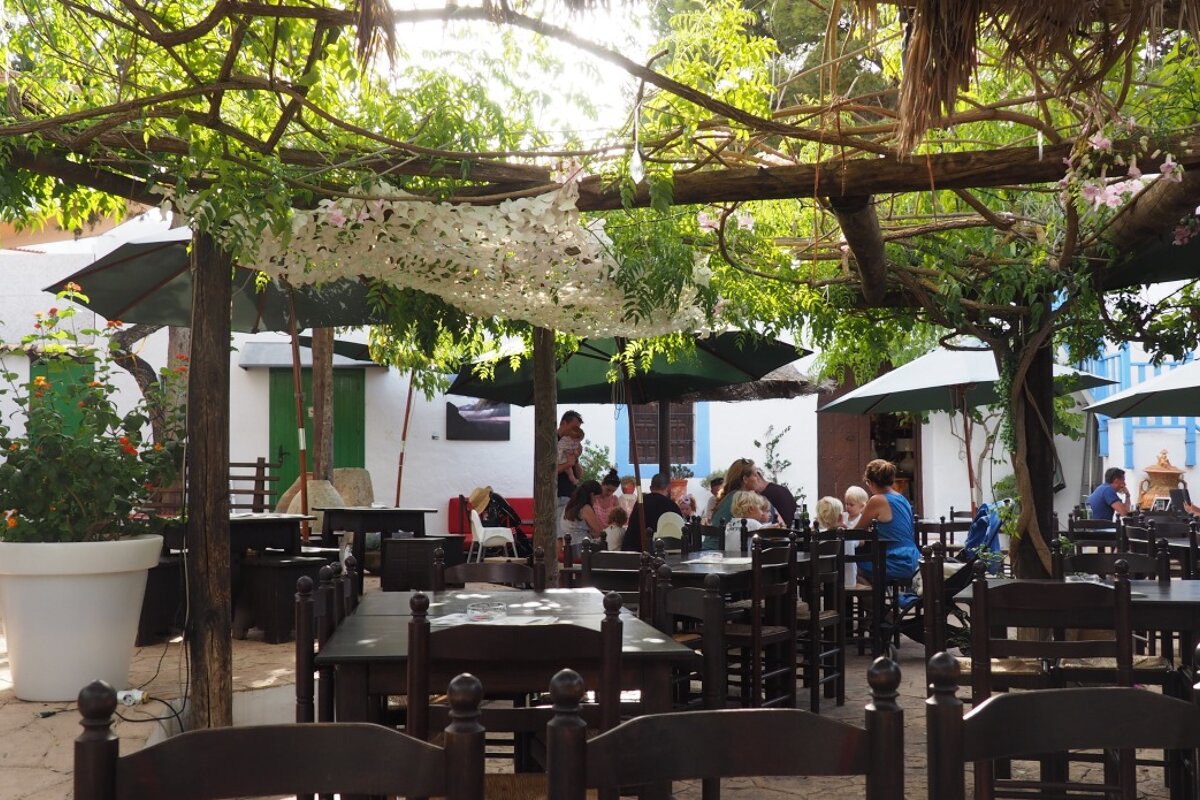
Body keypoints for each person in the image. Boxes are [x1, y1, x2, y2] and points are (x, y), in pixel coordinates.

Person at [853, 459, 920, 585]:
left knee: (851, 568)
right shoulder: (901, 498)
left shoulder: (877, 499)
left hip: (896, 560)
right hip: (912, 558)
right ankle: (878, 600)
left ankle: (875, 604)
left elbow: (856, 532)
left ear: (871, 482)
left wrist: (841, 526)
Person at [621, 472, 681, 553]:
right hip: (664, 557)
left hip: (634, 552)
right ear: (668, 488)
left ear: (650, 488)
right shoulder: (672, 506)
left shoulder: (640, 503)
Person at [555, 410, 584, 536]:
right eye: (574, 427)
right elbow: (549, 470)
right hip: (558, 495)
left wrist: (575, 459)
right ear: (563, 423)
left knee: (568, 535)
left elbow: (579, 474)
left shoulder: (572, 443)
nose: (576, 431)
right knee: (560, 535)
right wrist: (568, 464)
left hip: (570, 495)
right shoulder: (553, 442)